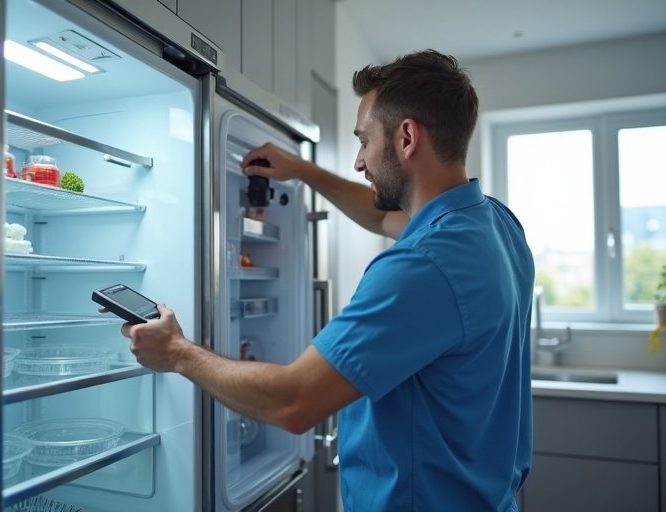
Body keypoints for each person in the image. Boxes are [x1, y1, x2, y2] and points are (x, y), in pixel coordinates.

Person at [115, 49, 534, 511]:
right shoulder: (493, 224)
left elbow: (293, 402)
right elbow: (383, 220)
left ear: (407, 137)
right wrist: (303, 171)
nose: (359, 161)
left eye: (364, 141)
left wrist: (176, 352)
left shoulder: (423, 266)